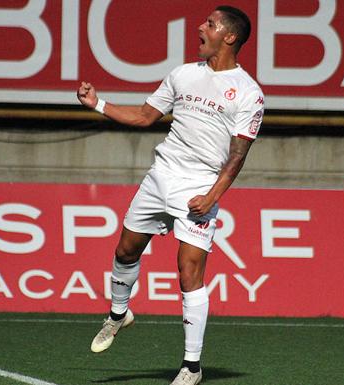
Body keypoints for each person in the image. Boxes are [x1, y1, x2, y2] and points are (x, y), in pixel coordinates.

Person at [77, 5, 263, 385]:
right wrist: (97, 103)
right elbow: (145, 117)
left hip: (199, 186)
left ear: (229, 37)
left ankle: (191, 367)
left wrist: (212, 196)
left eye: (210, 24)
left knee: (189, 270)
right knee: (125, 250)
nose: (200, 27)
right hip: (161, 176)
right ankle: (118, 314)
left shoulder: (248, 93)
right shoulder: (182, 75)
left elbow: (238, 155)